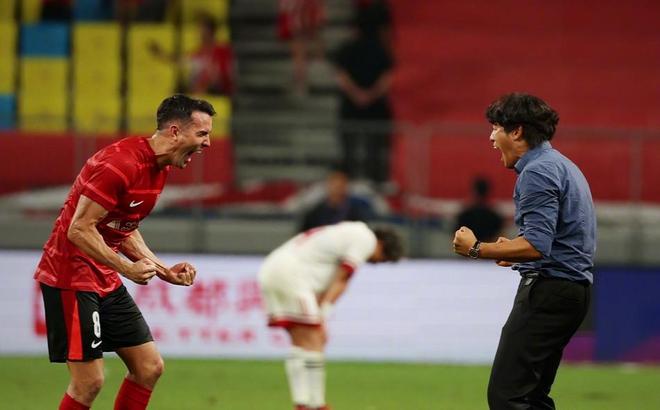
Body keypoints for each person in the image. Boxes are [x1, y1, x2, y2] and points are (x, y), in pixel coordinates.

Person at [33, 94, 216, 410]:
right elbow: (79, 229)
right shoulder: (120, 164)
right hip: (70, 277)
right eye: (202, 134)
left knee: (149, 368)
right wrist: (127, 268)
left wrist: (163, 270)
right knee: (88, 382)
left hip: (103, 277)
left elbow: (123, 226)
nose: (208, 143)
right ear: (175, 131)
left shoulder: (159, 168)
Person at [453, 93, 596, 409]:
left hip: (549, 291)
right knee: (531, 396)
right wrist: (510, 249)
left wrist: (476, 248)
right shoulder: (562, 165)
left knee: (508, 396)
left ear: (516, 131)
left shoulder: (537, 172)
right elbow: (551, 239)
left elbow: (536, 246)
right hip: (571, 291)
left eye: (495, 128)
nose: (491, 138)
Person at [258, 221, 403, 410]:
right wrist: (324, 312)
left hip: (274, 269)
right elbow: (342, 278)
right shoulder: (365, 239)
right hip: (291, 275)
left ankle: (304, 403)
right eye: (382, 258)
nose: (376, 263)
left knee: (302, 341)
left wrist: (320, 311)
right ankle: (316, 404)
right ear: (382, 244)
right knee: (314, 337)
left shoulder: (348, 233)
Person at [333, 9, 394, 186]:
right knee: (376, 150)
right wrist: (370, 95)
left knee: (349, 150)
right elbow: (387, 79)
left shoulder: (346, 49)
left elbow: (341, 77)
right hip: (376, 109)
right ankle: (377, 183)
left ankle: (349, 182)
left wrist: (356, 95)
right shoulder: (381, 50)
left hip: (351, 108)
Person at [150, 14, 235, 96]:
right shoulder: (199, 52)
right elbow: (181, 60)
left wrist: (204, 86)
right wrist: (161, 54)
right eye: (198, 29)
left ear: (210, 30)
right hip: (200, 93)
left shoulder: (222, 50)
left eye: (201, 29)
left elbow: (223, 76)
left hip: (217, 93)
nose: (198, 33)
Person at [299, 169, 375, 232]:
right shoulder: (315, 213)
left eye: (340, 185)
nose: (337, 189)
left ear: (346, 186)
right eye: (334, 184)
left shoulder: (356, 213)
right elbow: (305, 235)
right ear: (328, 185)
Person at [277, 0, 326, 96]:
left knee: (299, 53)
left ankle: (302, 83)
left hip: (301, 19)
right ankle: (302, 81)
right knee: (300, 53)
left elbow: (285, 7)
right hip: (303, 18)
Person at [454, 176, 504, 243]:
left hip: (468, 248)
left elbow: (457, 239)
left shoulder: (465, 215)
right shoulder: (494, 216)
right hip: (488, 248)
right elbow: (500, 239)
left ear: (474, 192)